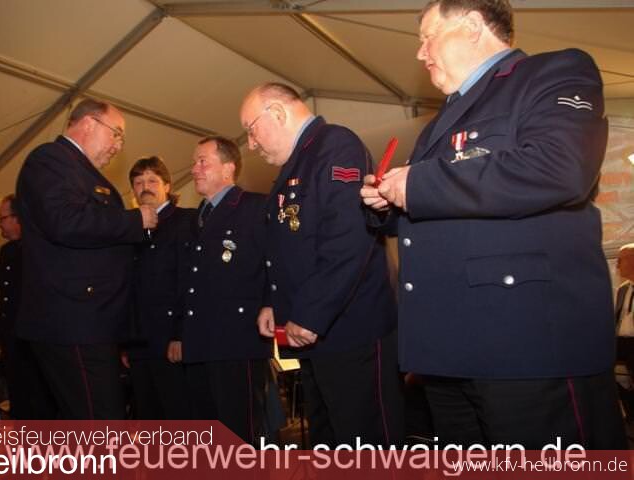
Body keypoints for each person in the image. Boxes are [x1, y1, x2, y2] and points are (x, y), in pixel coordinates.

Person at [360, 0, 626, 448]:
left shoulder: (553, 73)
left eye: (427, 37)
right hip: (450, 351)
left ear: (471, 26)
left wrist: (418, 184)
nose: (420, 53)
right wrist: (388, 203)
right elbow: (444, 206)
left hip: (527, 345)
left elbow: (560, 168)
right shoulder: (441, 121)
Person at [241, 83, 403, 447]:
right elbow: (288, 247)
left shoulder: (335, 145)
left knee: (365, 445)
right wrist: (272, 301)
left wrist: (311, 314)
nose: (251, 144)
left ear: (277, 113)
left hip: (350, 330)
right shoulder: (299, 161)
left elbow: (346, 240)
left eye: (251, 130)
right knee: (329, 443)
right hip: (318, 335)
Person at [15, 99, 157, 419]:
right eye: (116, 134)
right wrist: (134, 220)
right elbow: (64, 221)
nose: (118, 146)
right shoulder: (50, 160)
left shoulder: (81, 171)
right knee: (101, 423)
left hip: (91, 321)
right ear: (89, 123)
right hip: (73, 320)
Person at [181, 136, 271, 444]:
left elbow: (275, 262)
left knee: (239, 432)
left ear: (228, 168)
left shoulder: (255, 207)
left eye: (202, 162)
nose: (194, 169)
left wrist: (271, 304)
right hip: (199, 341)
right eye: (193, 162)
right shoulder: (197, 217)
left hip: (237, 339)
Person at [124, 156, 194, 419]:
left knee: (180, 419)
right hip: (139, 345)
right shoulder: (129, 231)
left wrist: (180, 334)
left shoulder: (186, 221)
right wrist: (126, 344)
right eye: (138, 182)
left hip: (171, 341)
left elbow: (189, 282)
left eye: (152, 180)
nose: (145, 187)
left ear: (167, 185)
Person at [0, 193, 55, 419]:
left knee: (39, 398)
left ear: (17, 217)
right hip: (13, 338)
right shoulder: (6, 251)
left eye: (3, 218)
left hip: (35, 338)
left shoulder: (39, 246)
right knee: (19, 398)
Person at [616, 243, 634, 419]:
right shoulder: (622, 289)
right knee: (601, 368)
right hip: (621, 342)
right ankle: (629, 410)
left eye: (620, 260)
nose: (617, 265)